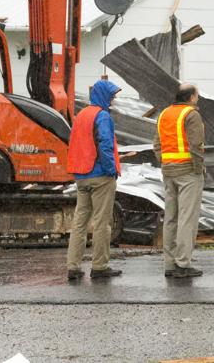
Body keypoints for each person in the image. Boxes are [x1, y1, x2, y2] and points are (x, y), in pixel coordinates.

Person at [66, 79, 122, 281]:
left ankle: (73, 266)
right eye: (112, 96)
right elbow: (105, 145)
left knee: (79, 222)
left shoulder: (81, 115)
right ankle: (99, 266)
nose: (113, 100)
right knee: (102, 222)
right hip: (100, 176)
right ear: (105, 96)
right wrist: (111, 170)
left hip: (81, 175)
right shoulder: (103, 116)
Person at [155, 83, 206, 278]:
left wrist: (164, 161)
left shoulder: (164, 114)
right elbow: (196, 145)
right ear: (191, 97)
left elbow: (156, 144)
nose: (198, 98)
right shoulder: (191, 114)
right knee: (187, 218)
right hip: (188, 172)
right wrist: (198, 169)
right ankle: (183, 263)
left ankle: (169, 264)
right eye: (197, 95)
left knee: (171, 218)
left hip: (168, 171)